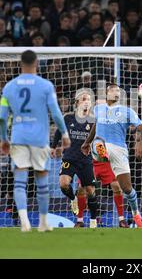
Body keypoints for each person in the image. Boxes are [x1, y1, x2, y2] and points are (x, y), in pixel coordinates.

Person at [0, 50, 70, 232]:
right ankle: (43, 222)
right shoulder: (46, 86)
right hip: (39, 139)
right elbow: (55, 113)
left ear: (20, 63)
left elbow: (1, 118)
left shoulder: (9, 87)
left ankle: (24, 221)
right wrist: (65, 134)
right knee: (42, 182)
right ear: (36, 62)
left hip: (18, 138)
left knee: (19, 182)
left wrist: (4, 139)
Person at [81, 84, 142, 228]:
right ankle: (101, 154)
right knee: (99, 141)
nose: (116, 92)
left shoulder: (127, 111)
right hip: (101, 147)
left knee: (127, 188)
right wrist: (87, 142)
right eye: (112, 90)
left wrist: (141, 143)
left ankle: (136, 214)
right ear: (106, 93)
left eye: (118, 91)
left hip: (119, 150)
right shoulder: (98, 109)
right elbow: (95, 127)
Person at [53, 89, 99, 228]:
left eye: (89, 100)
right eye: (84, 99)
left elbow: (99, 139)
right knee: (63, 184)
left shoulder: (94, 121)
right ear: (77, 103)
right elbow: (58, 131)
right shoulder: (68, 117)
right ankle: (73, 199)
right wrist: (53, 146)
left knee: (90, 191)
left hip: (85, 160)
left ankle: (93, 220)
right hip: (69, 158)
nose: (87, 102)